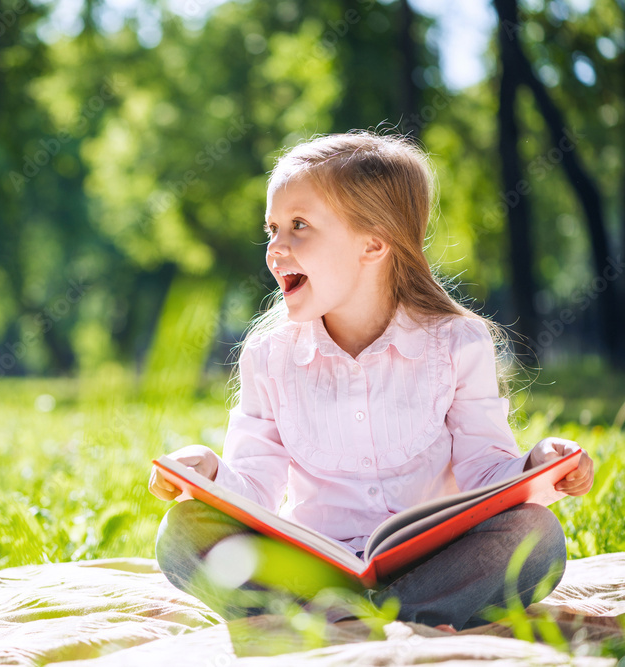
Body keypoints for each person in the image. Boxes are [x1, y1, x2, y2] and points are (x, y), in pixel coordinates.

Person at [148, 131, 595, 633]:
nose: (275, 248)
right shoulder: (268, 357)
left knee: (537, 535)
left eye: (299, 226)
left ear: (374, 242)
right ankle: (363, 616)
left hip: (433, 564)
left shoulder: (457, 344)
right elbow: (254, 489)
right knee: (183, 533)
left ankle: (371, 618)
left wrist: (533, 467)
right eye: (272, 228)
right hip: (312, 570)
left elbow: (484, 471)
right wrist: (207, 475)